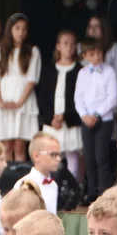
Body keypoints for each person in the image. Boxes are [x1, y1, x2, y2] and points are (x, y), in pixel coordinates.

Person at [0, 13, 42, 161]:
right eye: (17, 28)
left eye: (24, 29)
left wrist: (19, 102)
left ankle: (19, 182)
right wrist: (0, 101)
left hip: (23, 102)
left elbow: (32, 79)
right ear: (10, 29)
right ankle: (7, 181)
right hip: (4, 101)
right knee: (6, 147)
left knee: (19, 146)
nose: (20, 32)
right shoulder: (0, 50)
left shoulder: (33, 52)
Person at [76, 39, 117, 203]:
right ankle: (91, 191)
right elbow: (78, 97)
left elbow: (112, 97)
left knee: (101, 156)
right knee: (89, 156)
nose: (97, 57)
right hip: (86, 119)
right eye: (92, 54)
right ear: (85, 55)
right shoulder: (83, 73)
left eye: (100, 53)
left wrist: (97, 114)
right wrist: (84, 115)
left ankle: (104, 192)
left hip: (104, 119)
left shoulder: (109, 72)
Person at [39, 30, 83, 181]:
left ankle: (72, 189)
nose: (69, 47)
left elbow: (80, 97)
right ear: (58, 46)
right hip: (52, 119)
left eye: (72, 44)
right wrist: (50, 118)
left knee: (72, 155)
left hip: (69, 119)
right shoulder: (49, 69)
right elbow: (43, 96)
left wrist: (66, 116)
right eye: (65, 44)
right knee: (51, 154)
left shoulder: (79, 70)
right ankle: (52, 185)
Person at [11, 132, 61, 214]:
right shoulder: (23, 184)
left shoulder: (53, 185)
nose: (58, 159)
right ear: (36, 156)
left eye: (59, 154)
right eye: (53, 154)